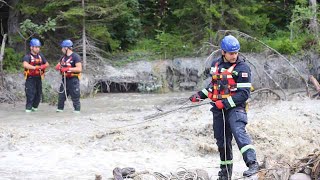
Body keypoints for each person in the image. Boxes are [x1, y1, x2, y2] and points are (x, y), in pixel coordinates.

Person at [189, 35, 259, 179]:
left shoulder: (242, 68)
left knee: (238, 131)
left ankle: (253, 164)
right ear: (223, 52)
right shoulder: (216, 65)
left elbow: (244, 94)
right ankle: (225, 174)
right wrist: (200, 95)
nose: (234, 56)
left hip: (236, 108)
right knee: (222, 142)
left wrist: (225, 103)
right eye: (231, 53)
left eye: (236, 53)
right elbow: (214, 87)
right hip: (218, 109)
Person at [22, 38, 49, 112]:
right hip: (30, 78)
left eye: (38, 47)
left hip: (38, 78)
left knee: (38, 95)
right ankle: (28, 111)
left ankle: (34, 110)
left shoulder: (40, 56)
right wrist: (35, 68)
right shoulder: (27, 56)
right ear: (31, 47)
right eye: (36, 47)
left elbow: (47, 64)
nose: (38, 49)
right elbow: (25, 65)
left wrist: (43, 66)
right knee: (30, 94)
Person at [55, 39, 82, 113]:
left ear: (66, 48)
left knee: (75, 97)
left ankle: (77, 112)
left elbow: (79, 69)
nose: (62, 49)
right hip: (64, 80)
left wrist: (68, 68)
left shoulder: (75, 57)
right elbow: (57, 66)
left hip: (73, 80)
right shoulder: (63, 57)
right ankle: (59, 112)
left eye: (62, 48)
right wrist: (58, 67)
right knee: (61, 97)